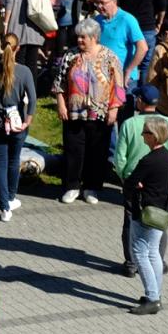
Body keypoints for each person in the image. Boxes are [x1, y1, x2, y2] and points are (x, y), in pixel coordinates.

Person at [52, 18, 126, 204]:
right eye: (78, 37)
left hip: (99, 113)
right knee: (73, 149)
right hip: (74, 112)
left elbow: (118, 86)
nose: (79, 41)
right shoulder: (71, 56)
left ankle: (92, 187)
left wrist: (114, 109)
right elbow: (59, 84)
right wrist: (61, 104)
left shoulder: (110, 57)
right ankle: (72, 186)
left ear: (94, 38)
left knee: (97, 152)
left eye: (83, 37)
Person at [115, 87, 168, 278]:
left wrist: (125, 178)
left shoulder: (129, 124)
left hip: (135, 183)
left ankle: (131, 263)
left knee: (130, 221)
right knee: (159, 221)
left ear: (141, 101)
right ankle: (158, 260)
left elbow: (120, 158)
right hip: (161, 184)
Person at [123, 115, 168, 315]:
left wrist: (137, 186)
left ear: (153, 136)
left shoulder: (148, 160)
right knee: (153, 252)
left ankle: (152, 298)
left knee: (139, 253)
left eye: (145, 131)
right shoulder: (167, 156)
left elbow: (130, 183)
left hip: (145, 212)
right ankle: (156, 294)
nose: (142, 134)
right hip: (161, 211)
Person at [0, 33, 36, 221]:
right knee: (14, 161)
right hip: (17, 123)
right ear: (18, 48)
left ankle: (5, 206)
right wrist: (27, 121)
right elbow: (32, 101)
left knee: (1, 162)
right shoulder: (25, 72)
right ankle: (11, 197)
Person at [1, 0, 46, 82]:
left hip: (16, 25)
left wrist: (5, 24)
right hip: (36, 25)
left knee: (18, 61)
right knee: (32, 63)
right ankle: (31, 93)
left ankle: (18, 92)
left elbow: (9, 3)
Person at [94, 0, 148, 87]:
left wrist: (129, 69)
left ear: (114, 2)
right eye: (97, 3)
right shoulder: (97, 20)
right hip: (102, 76)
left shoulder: (127, 19)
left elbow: (143, 47)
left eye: (102, 3)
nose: (99, 6)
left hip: (123, 78)